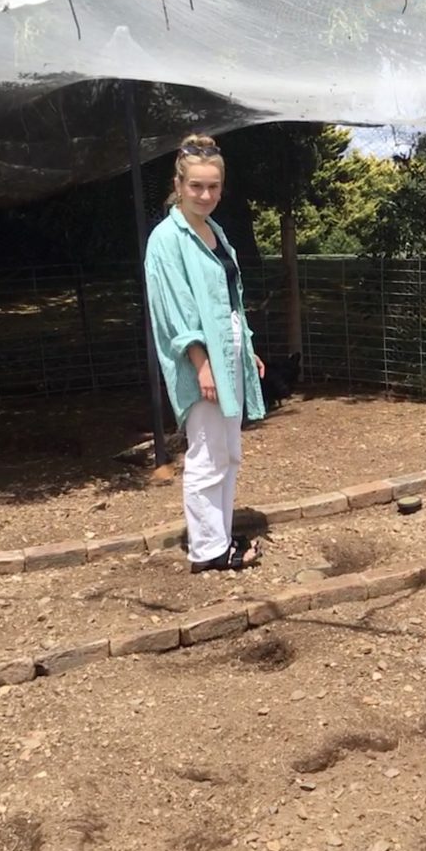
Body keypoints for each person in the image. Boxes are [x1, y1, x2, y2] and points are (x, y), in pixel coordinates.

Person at [144, 133, 267, 573]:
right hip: (202, 363)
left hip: (227, 355)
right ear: (178, 184)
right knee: (207, 454)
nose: (205, 194)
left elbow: (229, 302)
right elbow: (176, 310)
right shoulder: (166, 239)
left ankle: (220, 534)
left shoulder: (214, 230)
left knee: (229, 452)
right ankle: (207, 549)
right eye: (196, 186)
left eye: (213, 186)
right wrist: (203, 363)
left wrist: (244, 349)